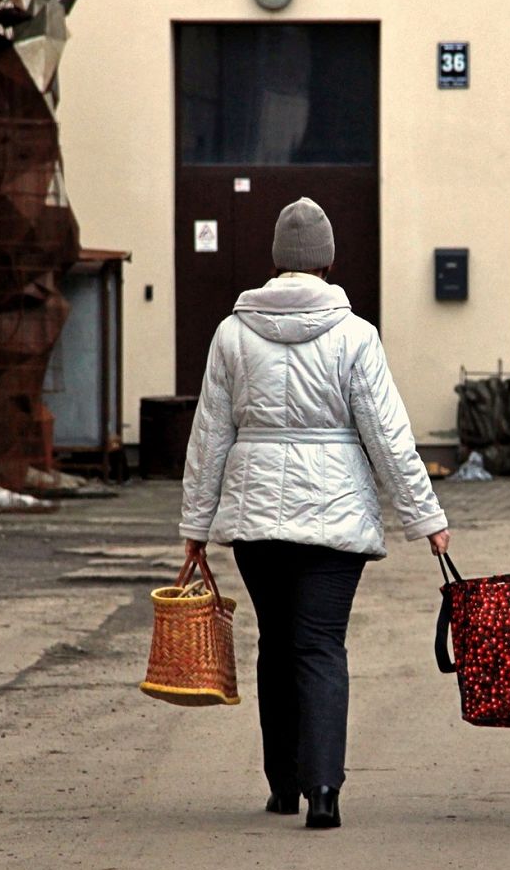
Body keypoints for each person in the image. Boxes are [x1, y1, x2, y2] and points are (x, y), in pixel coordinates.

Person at [180, 197, 451, 831]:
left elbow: (209, 435)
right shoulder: (355, 335)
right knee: (321, 646)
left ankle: (283, 785)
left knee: (276, 644)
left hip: (255, 520)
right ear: (328, 261)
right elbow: (388, 437)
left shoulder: (232, 333)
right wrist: (426, 519)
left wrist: (195, 526)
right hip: (335, 518)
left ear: (277, 260)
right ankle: (324, 790)